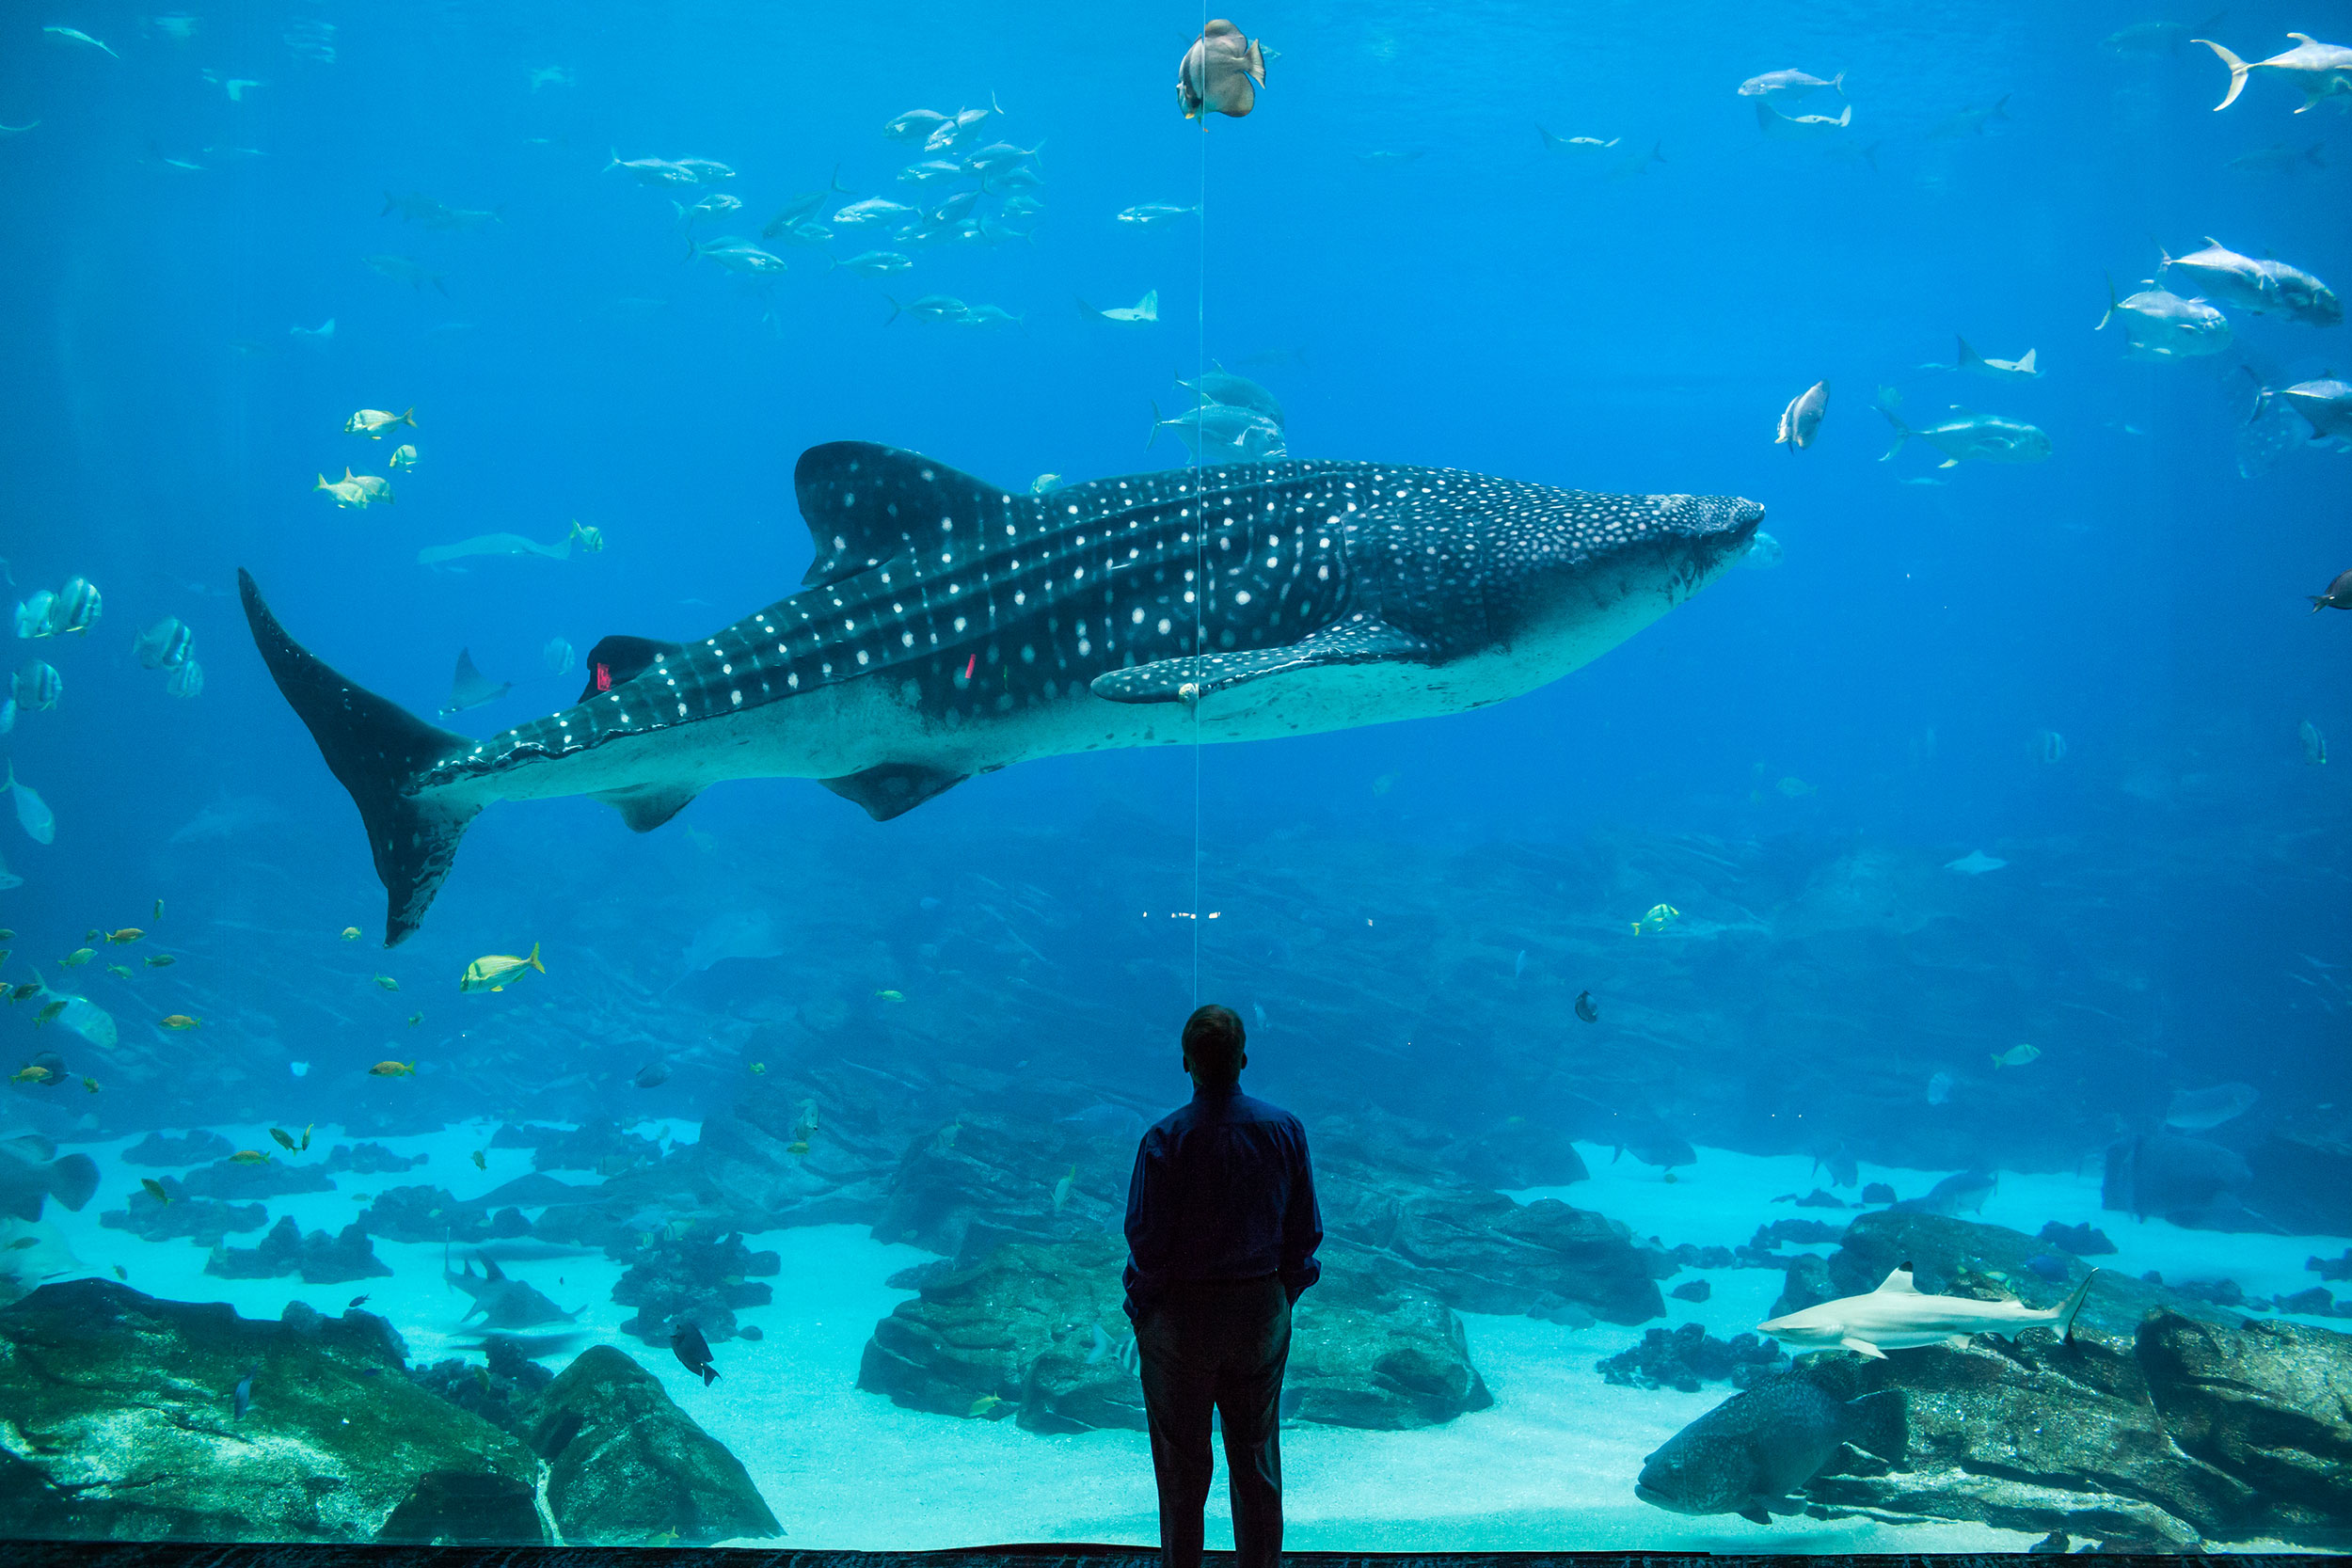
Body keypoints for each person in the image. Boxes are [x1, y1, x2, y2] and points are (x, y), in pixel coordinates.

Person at [1122, 1004, 1322, 1568]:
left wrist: (1144, 1307)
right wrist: (1282, 1293)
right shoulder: (1285, 1130)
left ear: (1185, 1062)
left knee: (1181, 1464)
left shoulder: (1164, 1139)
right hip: (1260, 1309)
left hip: (1181, 1318)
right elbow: (1304, 1230)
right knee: (1256, 1455)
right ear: (1243, 1059)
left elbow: (1145, 1238)